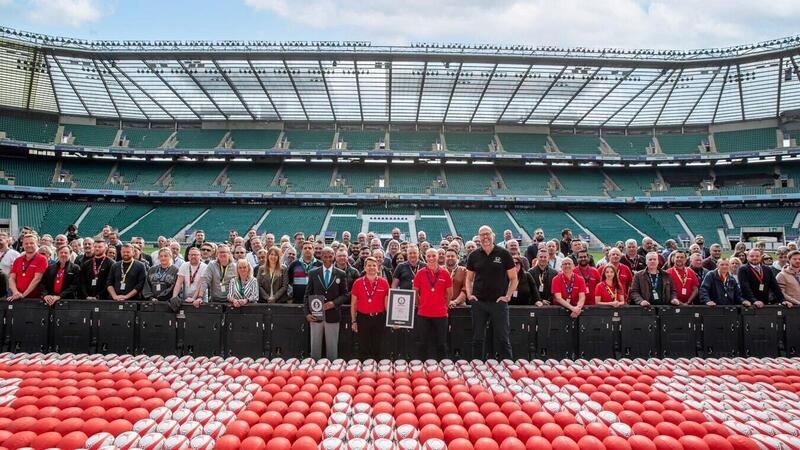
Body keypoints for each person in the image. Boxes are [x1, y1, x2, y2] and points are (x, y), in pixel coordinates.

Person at [466, 226, 517, 360]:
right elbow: (468, 278)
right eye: (482, 235)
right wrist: (469, 295)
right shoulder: (474, 255)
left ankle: (509, 368)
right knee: (477, 338)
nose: (485, 237)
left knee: (503, 338)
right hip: (479, 303)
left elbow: (514, 278)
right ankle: (476, 367)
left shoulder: (504, 254)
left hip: (498, 303)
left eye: (487, 234)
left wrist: (508, 295)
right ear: (478, 237)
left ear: (493, 235)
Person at [305, 247, 348, 360]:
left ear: (334, 256)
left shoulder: (341, 273)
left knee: (332, 349)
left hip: (333, 315)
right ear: (321, 257)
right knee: (315, 348)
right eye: (325, 256)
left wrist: (334, 303)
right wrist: (307, 313)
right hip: (315, 315)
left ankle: (332, 373)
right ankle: (314, 372)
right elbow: (307, 295)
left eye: (330, 256)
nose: (328, 259)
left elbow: (345, 295)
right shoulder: (313, 273)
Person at [413, 248, 453, 359]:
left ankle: (442, 366)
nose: (431, 258)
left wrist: (445, 305)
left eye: (433, 256)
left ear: (438, 257)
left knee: (441, 343)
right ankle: (421, 367)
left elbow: (450, 293)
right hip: (423, 314)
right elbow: (415, 291)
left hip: (441, 314)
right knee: (422, 343)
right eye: (428, 256)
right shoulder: (420, 273)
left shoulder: (445, 273)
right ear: (425, 257)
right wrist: (420, 304)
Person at [8, 234, 49, 301]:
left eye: (31, 243)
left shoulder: (42, 259)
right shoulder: (18, 260)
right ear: (23, 245)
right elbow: (11, 278)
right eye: (26, 243)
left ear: (37, 244)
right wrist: (16, 293)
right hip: (17, 297)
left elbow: (37, 279)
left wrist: (23, 295)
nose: (29, 245)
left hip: (35, 299)